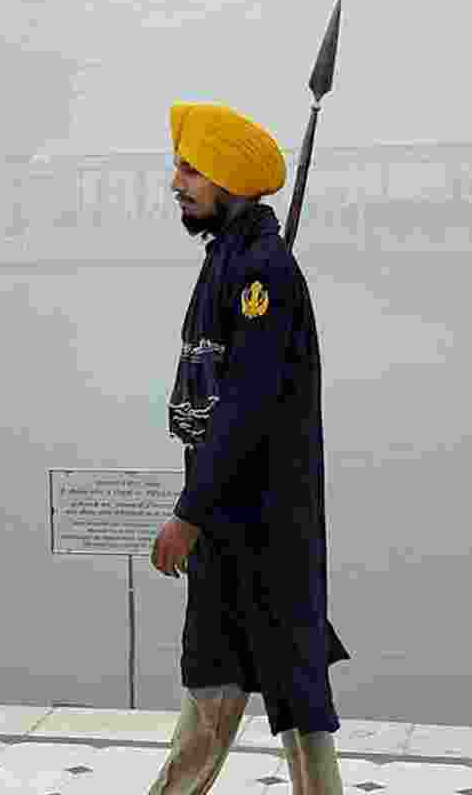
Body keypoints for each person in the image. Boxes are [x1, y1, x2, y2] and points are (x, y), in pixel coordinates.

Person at [148, 100, 350, 795]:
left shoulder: (263, 273)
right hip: (228, 527)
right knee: (217, 676)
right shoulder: (228, 262)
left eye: (191, 170)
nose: (177, 182)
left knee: (291, 689)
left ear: (230, 180)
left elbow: (244, 408)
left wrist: (188, 514)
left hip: (264, 529)